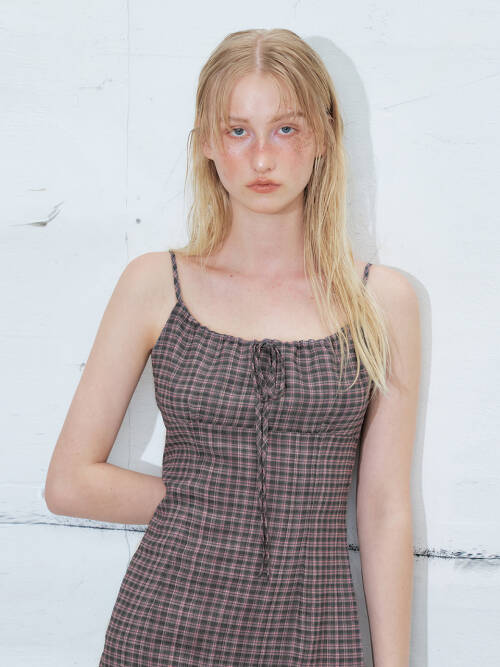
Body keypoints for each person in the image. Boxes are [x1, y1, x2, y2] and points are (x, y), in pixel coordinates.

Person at [45, 28, 420, 667]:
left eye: (285, 129)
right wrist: (215, 503)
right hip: (164, 630)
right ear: (206, 144)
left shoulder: (381, 301)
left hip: (313, 637)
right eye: (238, 131)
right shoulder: (154, 284)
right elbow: (69, 483)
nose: (262, 158)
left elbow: (384, 509)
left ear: (324, 135)